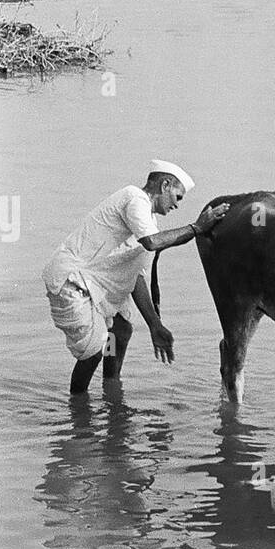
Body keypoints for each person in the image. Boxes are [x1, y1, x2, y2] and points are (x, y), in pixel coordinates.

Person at [42, 163, 228, 396]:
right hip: (73, 281)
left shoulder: (148, 221)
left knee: (119, 331)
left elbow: (135, 279)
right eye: (177, 196)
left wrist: (154, 325)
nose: (177, 204)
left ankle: (110, 389)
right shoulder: (135, 198)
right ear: (165, 185)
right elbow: (152, 242)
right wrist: (197, 228)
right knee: (95, 351)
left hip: (96, 285)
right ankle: (78, 407)